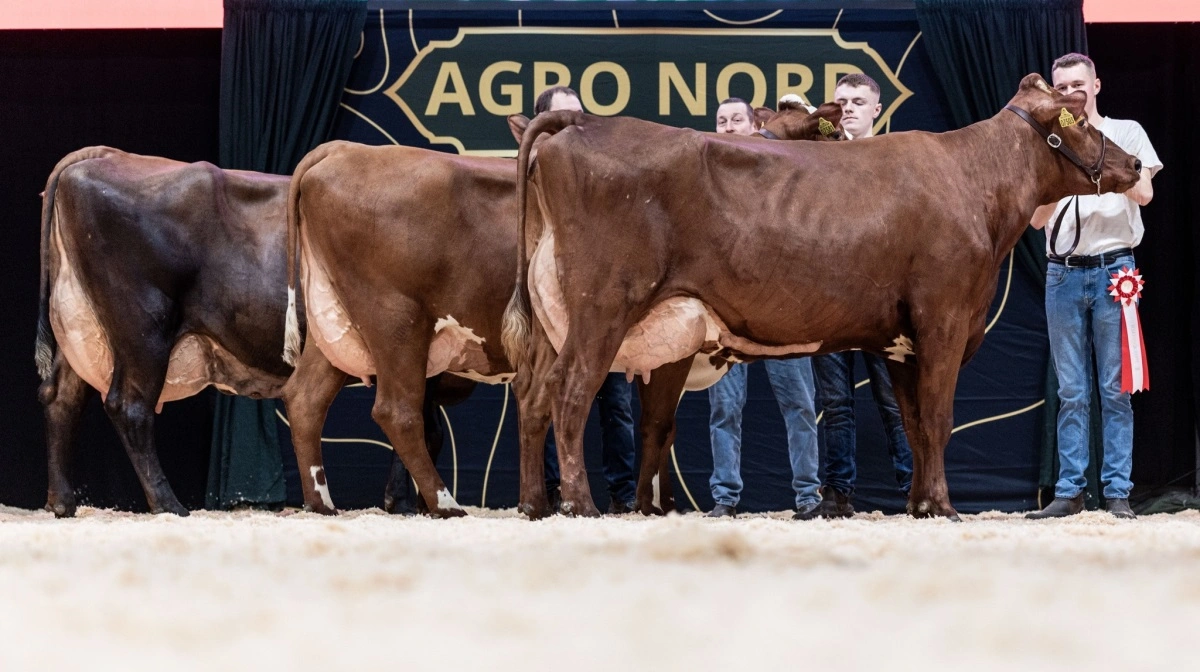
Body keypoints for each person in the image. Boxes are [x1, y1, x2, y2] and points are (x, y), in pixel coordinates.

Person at [1026, 53, 1160, 521]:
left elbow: (1144, 193)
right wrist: (1065, 176)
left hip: (1114, 270)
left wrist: (1099, 166)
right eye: (1061, 87)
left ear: (1096, 85)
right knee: (1071, 391)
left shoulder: (1127, 133)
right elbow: (1036, 219)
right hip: (1062, 272)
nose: (1070, 94)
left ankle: (1118, 491)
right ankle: (1070, 490)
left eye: (1077, 85)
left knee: (1115, 388)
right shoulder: (1050, 143)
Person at [706, 97, 823, 520]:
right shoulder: (705, 180)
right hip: (728, 312)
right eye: (721, 121)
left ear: (754, 124)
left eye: (737, 119)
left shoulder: (782, 169)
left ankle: (809, 496)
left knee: (801, 405)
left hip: (782, 309)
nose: (729, 126)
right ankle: (724, 497)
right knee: (724, 408)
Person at [808, 74, 914, 519]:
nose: (847, 108)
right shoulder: (817, 160)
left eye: (857, 101)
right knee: (834, 403)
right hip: (830, 298)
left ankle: (916, 487)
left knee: (896, 401)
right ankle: (836, 495)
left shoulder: (894, 161)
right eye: (841, 102)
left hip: (880, 304)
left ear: (877, 109)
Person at [534, 86, 639, 514]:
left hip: (598, 310)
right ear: (541, 125)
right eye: (561, 118)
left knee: (617, 406)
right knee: (546, 398)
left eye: (579, 116)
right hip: (552, 306)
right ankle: (554, 489)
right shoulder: (533, 170)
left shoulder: (606, 176)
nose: (573, 125)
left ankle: (623, 493)